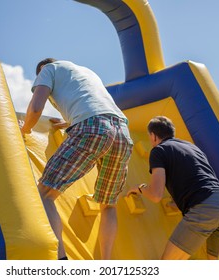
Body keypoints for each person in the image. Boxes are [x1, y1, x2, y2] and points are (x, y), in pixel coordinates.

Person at [19, 58, 133, 260]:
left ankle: (61, 261)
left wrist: (25, 129)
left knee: (45, 194)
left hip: (92, 128)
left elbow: (36, 107)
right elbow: (94, 105)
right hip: (123, 132)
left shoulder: (48, 70)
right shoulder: (86, 71)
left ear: (40, 71)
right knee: (108, 204)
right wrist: (67, 122)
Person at [127, 116, 219, 260]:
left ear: (153, 136)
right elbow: (200, 181)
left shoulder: (159, 150)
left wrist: (139, 188)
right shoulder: (192, 147)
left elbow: (155, 195)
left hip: (206, 208)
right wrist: (177, 202)